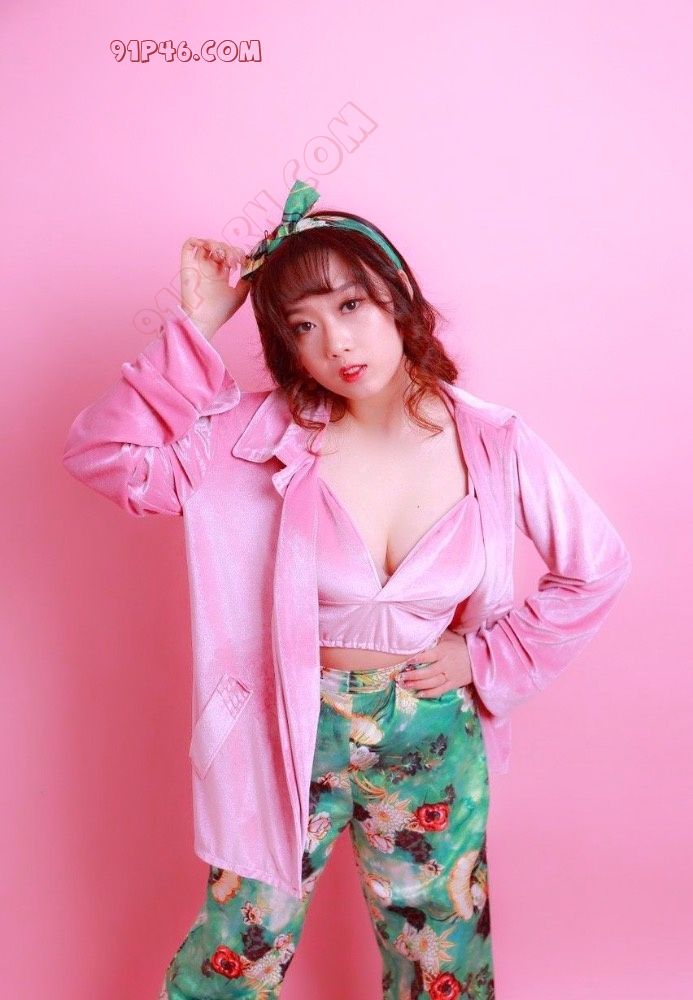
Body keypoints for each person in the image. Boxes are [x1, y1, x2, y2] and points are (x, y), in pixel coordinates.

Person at [62, 180, 631, 1000]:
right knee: (238, 947)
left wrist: (483, 657)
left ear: (396, 298)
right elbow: (106, 455)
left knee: (440, 957)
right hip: (283, 725)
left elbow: (595, 565)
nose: (334, 341)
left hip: (429, 728)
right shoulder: (250, 437)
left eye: (349, 305)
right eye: (301, 326)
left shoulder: (494, 442)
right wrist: (197, 326)